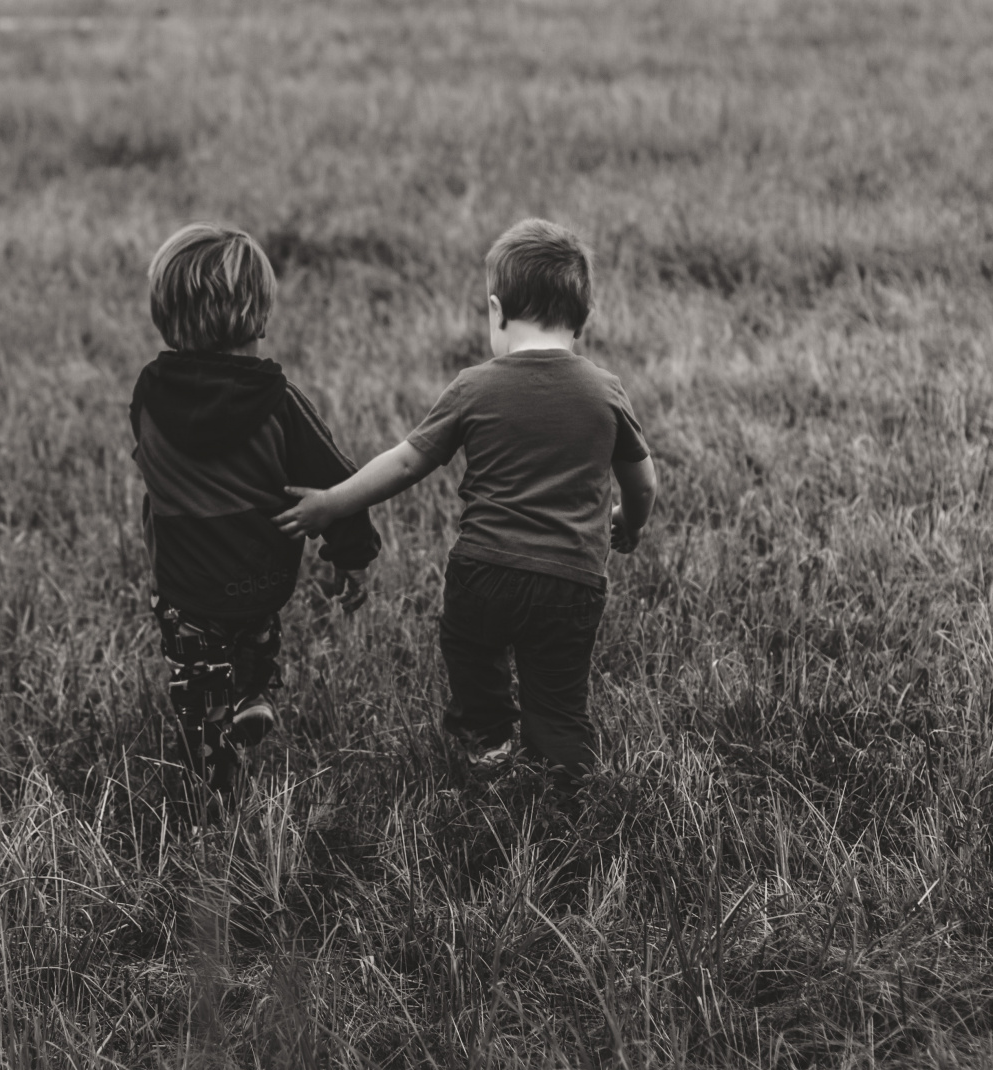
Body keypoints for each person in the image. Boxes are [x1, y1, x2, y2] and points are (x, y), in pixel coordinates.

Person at [276, 218, 657, 793]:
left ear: (497, 310)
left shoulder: (474, 386)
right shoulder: (605, 390)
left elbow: (405, 463)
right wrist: (628, 523)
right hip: (571, 582)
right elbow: (643, 481)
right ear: (585, 317)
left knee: (472, 656)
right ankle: (564, 776)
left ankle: (488, 742)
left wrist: (331, 501)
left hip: (484, 574)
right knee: (557, 697)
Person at [131, 222, 379, 806]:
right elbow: (339, 480)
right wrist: (353, 555)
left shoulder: (149, 394)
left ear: (165, 316)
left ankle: (213, 787)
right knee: (255, 632)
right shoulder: (278, 402)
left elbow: (147, 458)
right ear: (259, 317)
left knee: (198, 693)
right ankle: (254, 693)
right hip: (262, 578)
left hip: (186, 588)